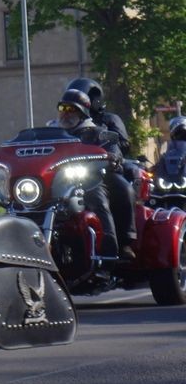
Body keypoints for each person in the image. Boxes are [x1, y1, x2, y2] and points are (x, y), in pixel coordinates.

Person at [56, 88, 134, 260]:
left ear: (82, 112)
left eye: (71, 109)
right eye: (62, 109)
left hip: (89, 179)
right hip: (55, 182)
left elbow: (114, 150)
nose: (65, 114)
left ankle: (109, 251)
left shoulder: (97, 133)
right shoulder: (52, 134)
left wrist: (112, 157)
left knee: (97, 196)